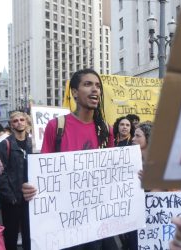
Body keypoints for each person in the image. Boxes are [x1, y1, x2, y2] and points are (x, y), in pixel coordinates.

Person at [23, 68, 116, 250]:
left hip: (95, 221)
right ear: (74, 92)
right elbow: (44, 172)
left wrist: (133, 175)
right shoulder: (56, 126)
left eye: (97, 85)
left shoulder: (106, 130)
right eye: (88, 84)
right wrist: (31, 188)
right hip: (63, 222)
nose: (95, 89)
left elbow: (113, 172)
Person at [0, 111, 33, 250]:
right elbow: (0, 173)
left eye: (22, 120)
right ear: (11, 125)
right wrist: (11, 197)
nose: (19, 122)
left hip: (30, 198)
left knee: (30, 235)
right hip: (12, 201)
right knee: (10, 237)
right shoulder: (5, 145)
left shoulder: (33, 142)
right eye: (15, 121)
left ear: (26, 122)